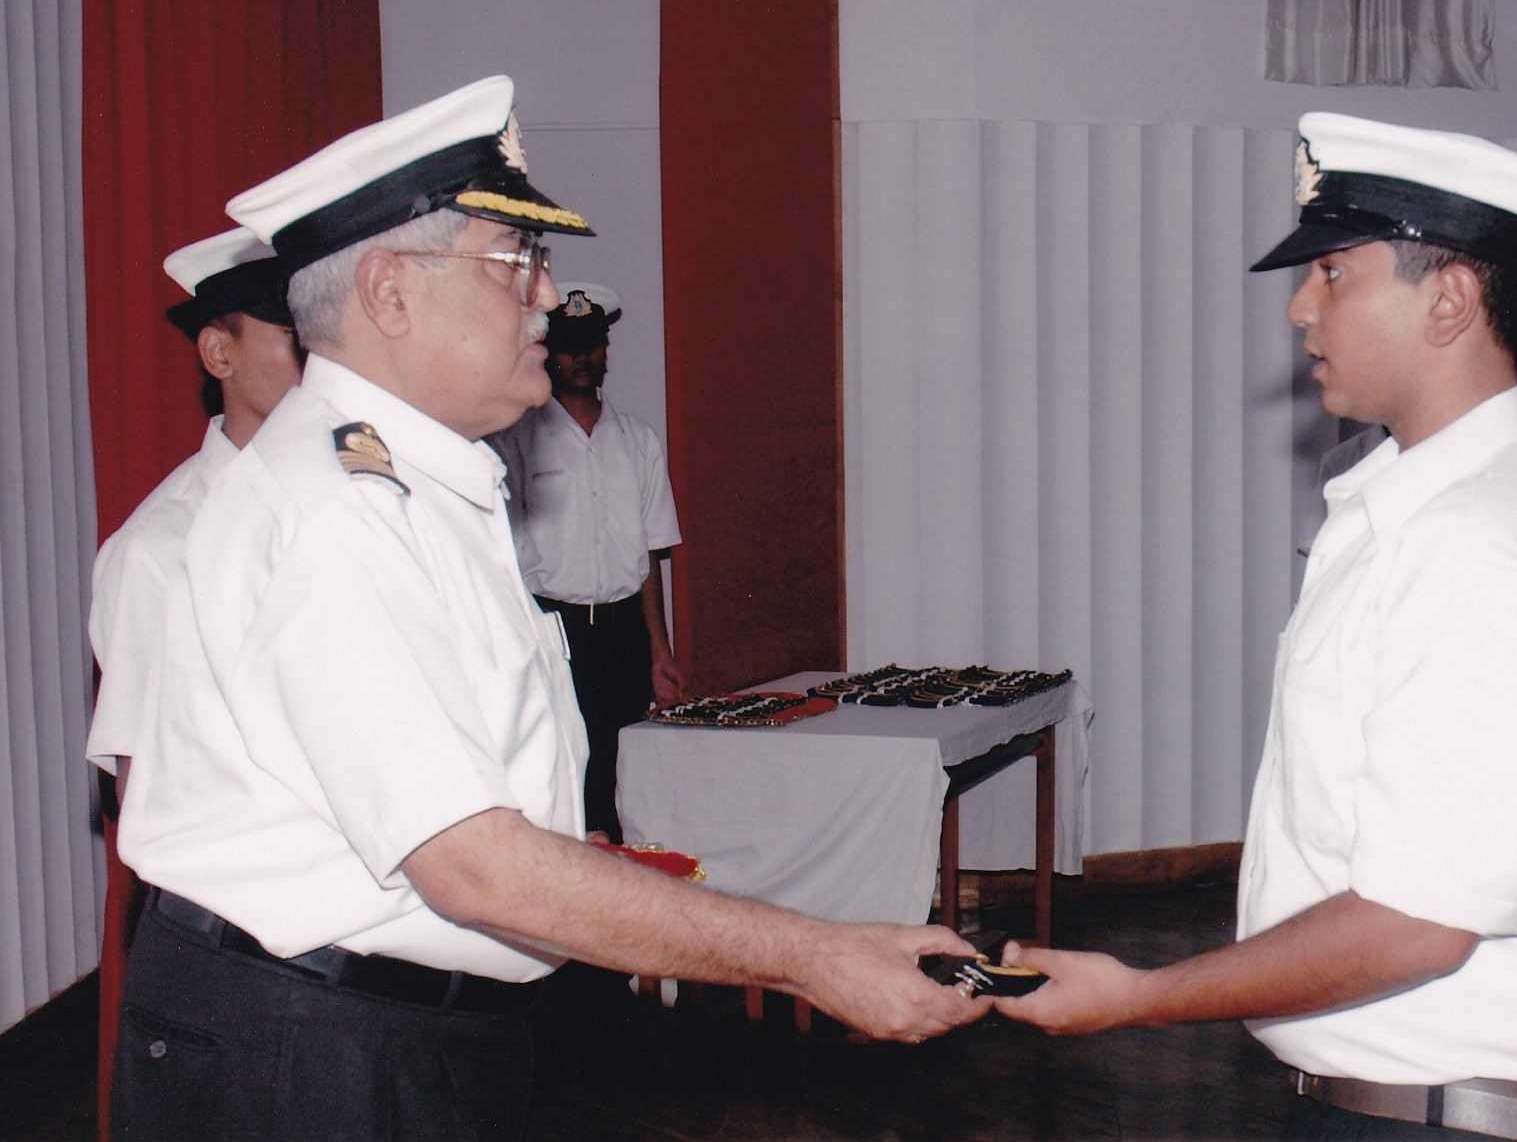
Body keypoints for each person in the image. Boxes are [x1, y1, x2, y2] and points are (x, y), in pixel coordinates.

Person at [110, 75, 984, 1140]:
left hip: (395, 1030)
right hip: (310, 1054)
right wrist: (815, 953)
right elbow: (473, 865)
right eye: (515, 259)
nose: (548, 295)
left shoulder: (427, 483)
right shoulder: (332, 509)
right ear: (390, 293)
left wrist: (575, 855)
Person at [995, 113, 1517, 1142]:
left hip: (1454, 1119)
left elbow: (1416, 923)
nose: (1301, 306)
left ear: (1449, 299)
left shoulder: (1492, 548)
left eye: (1335, 273)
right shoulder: (1419, 503)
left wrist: (1138, 996)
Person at [87, 227, 304, 802]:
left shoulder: (369, 497)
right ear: (219, 353)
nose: (322, 363)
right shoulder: (161, 546)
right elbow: (145, 785)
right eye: (296, 339)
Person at [492, 283, 685, 843]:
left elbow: (650, 556)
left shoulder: (638, 442)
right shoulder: (518, 439)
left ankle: (622, 874)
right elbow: (502, 554)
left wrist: (660, 652)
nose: (581, 358)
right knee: (562, 771)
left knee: (622, 772)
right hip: (555, 629)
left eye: (591, 345)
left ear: (606, 350)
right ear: (548, 352)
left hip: (624, 634)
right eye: (568, 346)